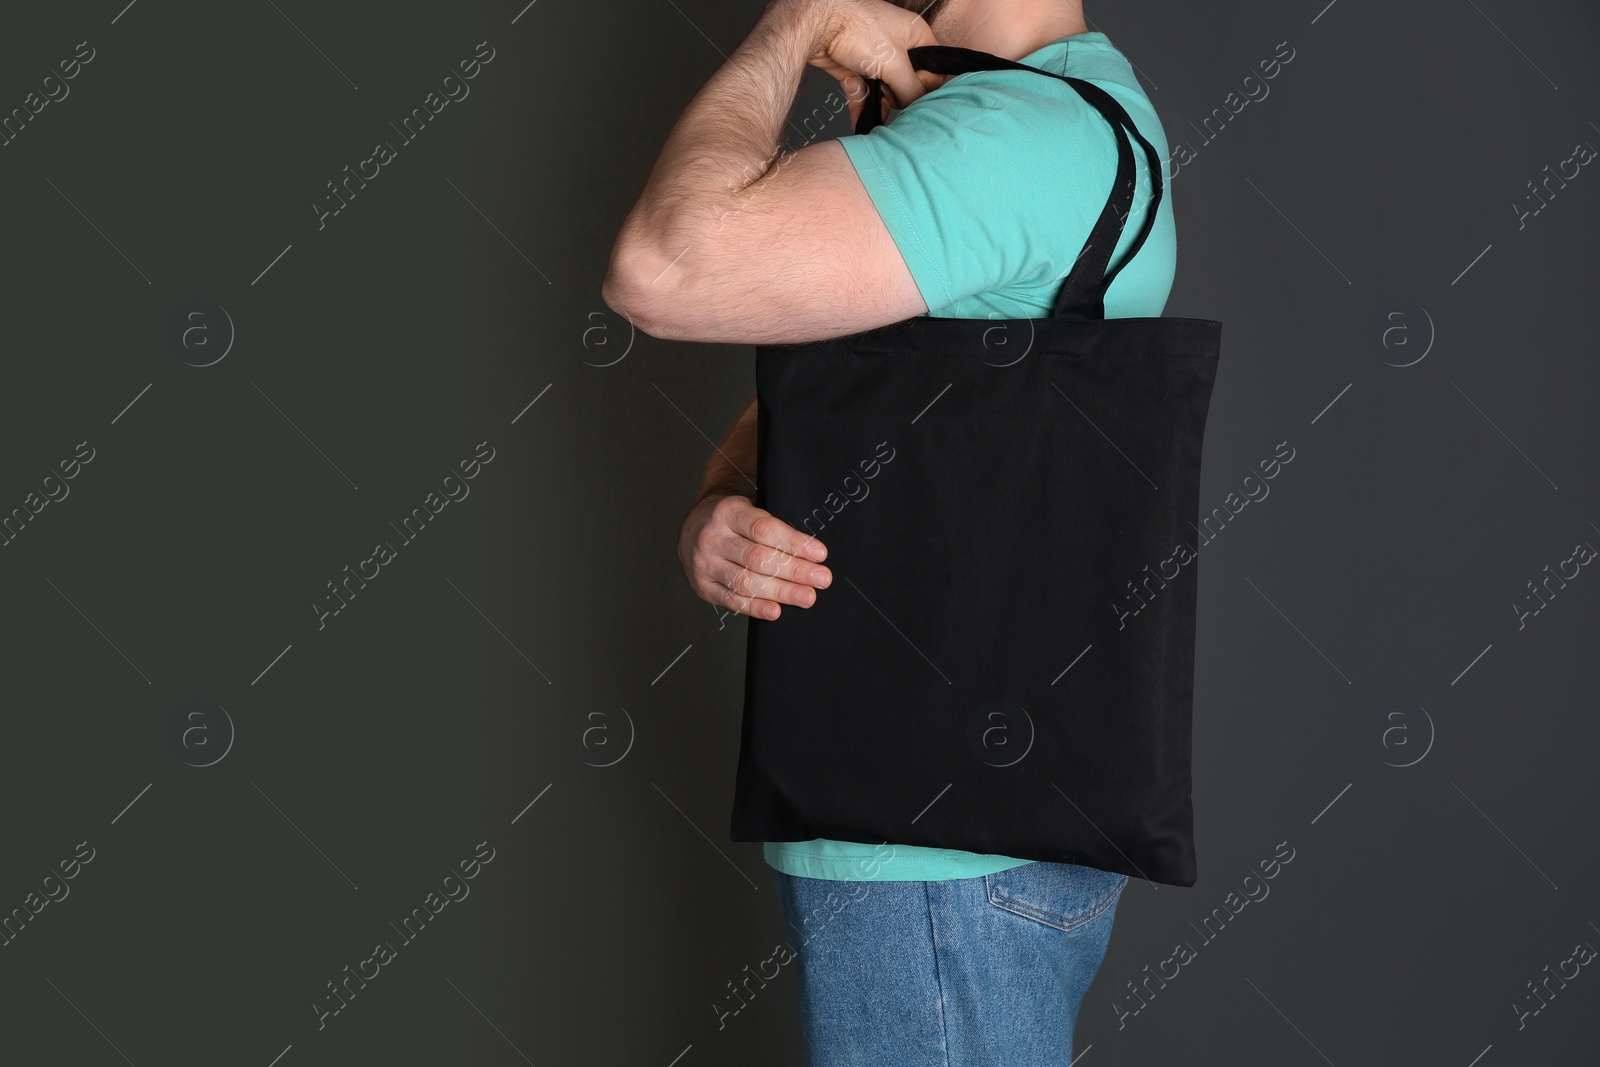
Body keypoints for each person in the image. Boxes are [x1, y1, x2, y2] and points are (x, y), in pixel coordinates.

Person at [604, 0, 1176, 1061]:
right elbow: (836, 399)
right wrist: (718, 513)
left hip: (924, 848)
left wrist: (793, 25)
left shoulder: (1011, 135)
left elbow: (659, 266)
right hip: (980, 827)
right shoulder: (1063, 109)